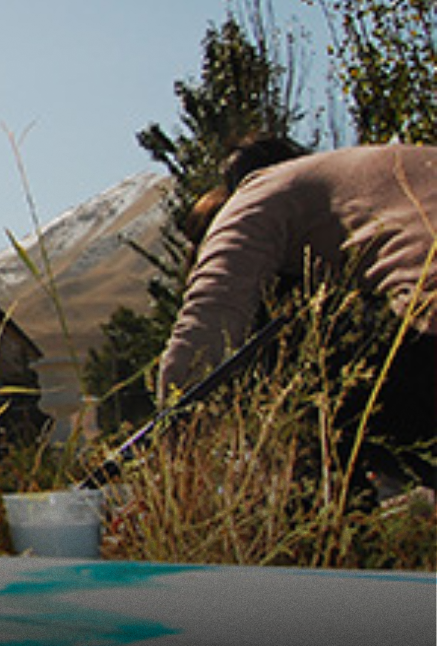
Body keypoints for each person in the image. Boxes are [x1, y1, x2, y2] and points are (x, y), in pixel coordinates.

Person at [158, 141, 437, 480]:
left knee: (293, 350)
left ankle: (328, 524)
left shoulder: (260, 192)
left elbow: (206, 325)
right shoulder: (374, 172)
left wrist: (174, 465)